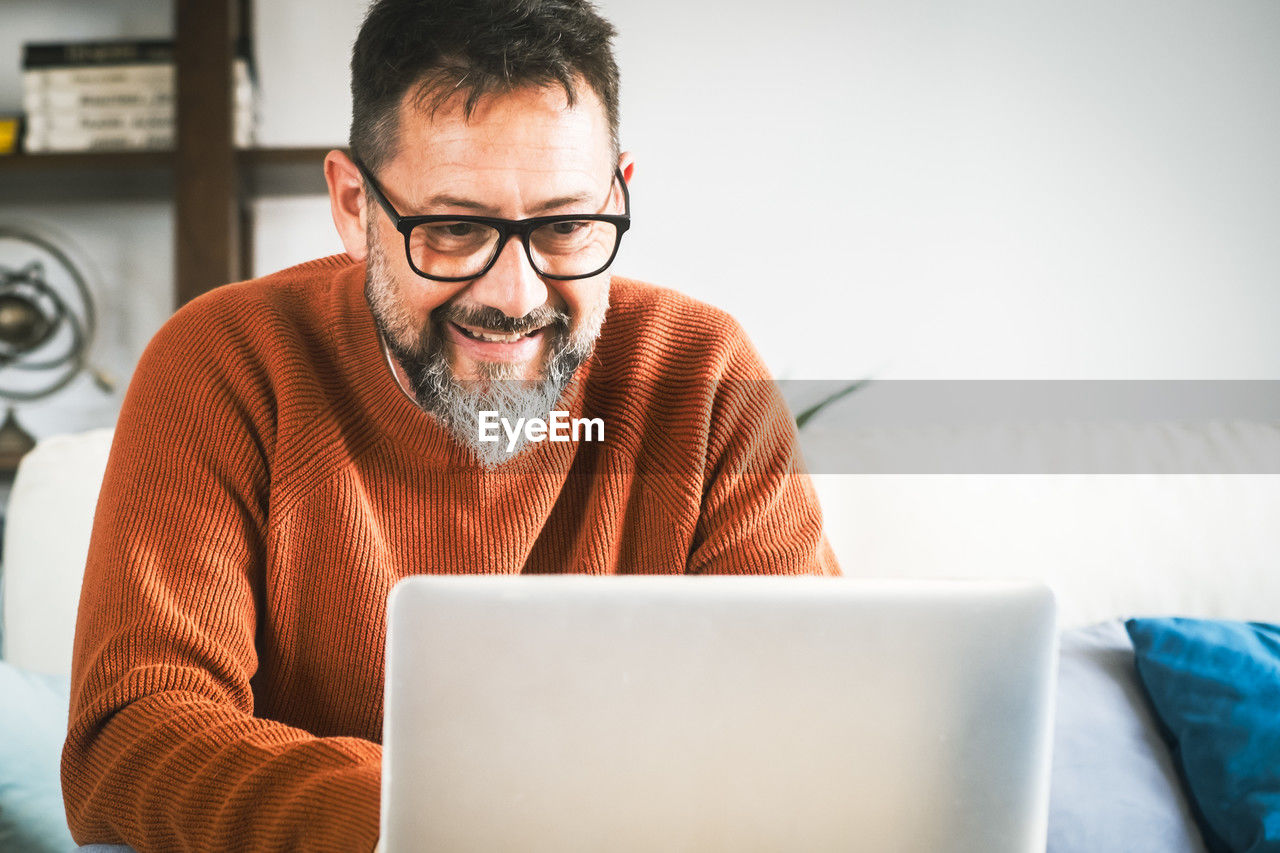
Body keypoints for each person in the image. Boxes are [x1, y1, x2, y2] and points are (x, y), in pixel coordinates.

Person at [61, 0, 839, 849]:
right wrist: (440, 819)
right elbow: (130, 734)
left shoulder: (704, 370)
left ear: (619, 194)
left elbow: (807, 719)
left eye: (568, 226)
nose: (517, 296)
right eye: (457, 229)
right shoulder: (224, 360)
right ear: (354, 205)